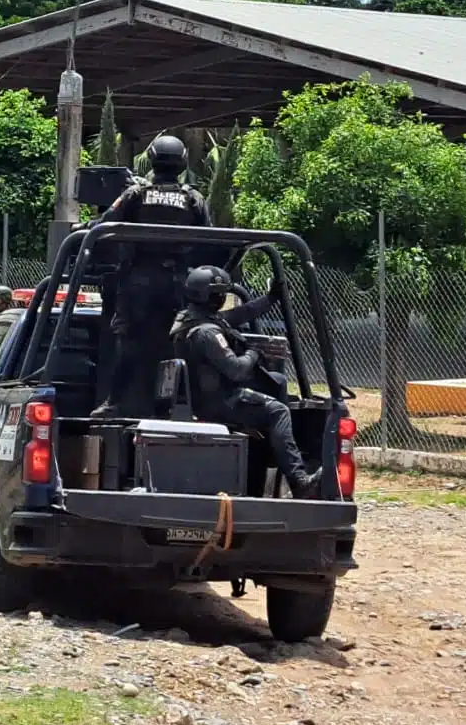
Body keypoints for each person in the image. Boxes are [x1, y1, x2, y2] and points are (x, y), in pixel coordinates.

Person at [171, 264, 322, 500]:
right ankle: (299, 481)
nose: (222, 298)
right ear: (210, 296)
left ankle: (277, 447)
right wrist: (254, 353)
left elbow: (241, 314)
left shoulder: (191, 320)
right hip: (222, 402)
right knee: (279, 411)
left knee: (278, 381)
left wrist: (271, 299)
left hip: (211, 399)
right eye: (219, 293)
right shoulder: (207, 333)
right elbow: (237, 370)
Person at [93, 135, 211, 418]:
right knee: (181, 342)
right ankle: (186, 406)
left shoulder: (136, 194)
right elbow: (210, 237)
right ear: (182, 163)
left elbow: (106, 223)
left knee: (128, 342)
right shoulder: (193, 198)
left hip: (138, 282)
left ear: (152, 159)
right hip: (178, 284)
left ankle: (115, 402)